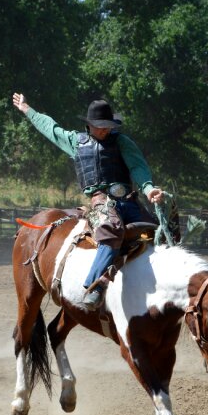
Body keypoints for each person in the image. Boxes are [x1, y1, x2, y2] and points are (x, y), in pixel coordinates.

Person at [12, 93, 165, 310]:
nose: (105, 129)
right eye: (100, 126)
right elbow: (51, 129)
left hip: (128, 201)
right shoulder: (76, 141)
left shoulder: (123, 142)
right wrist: (28, 110)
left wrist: (149, 189)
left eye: (108, 125)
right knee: (111, 229)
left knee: (160, 233)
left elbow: (138, 168)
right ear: (89, 125)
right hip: (101, 201)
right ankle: (94, 286)